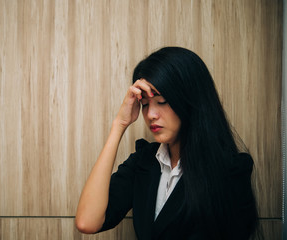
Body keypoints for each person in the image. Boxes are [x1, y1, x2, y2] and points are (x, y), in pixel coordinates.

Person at [75, 47, 260, 239]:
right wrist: (119, 125)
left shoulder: (231, 170)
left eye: (161, 101)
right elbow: (87, 222)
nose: (150, 115)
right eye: (145, 104)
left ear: (189, 98)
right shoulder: (144, 161)